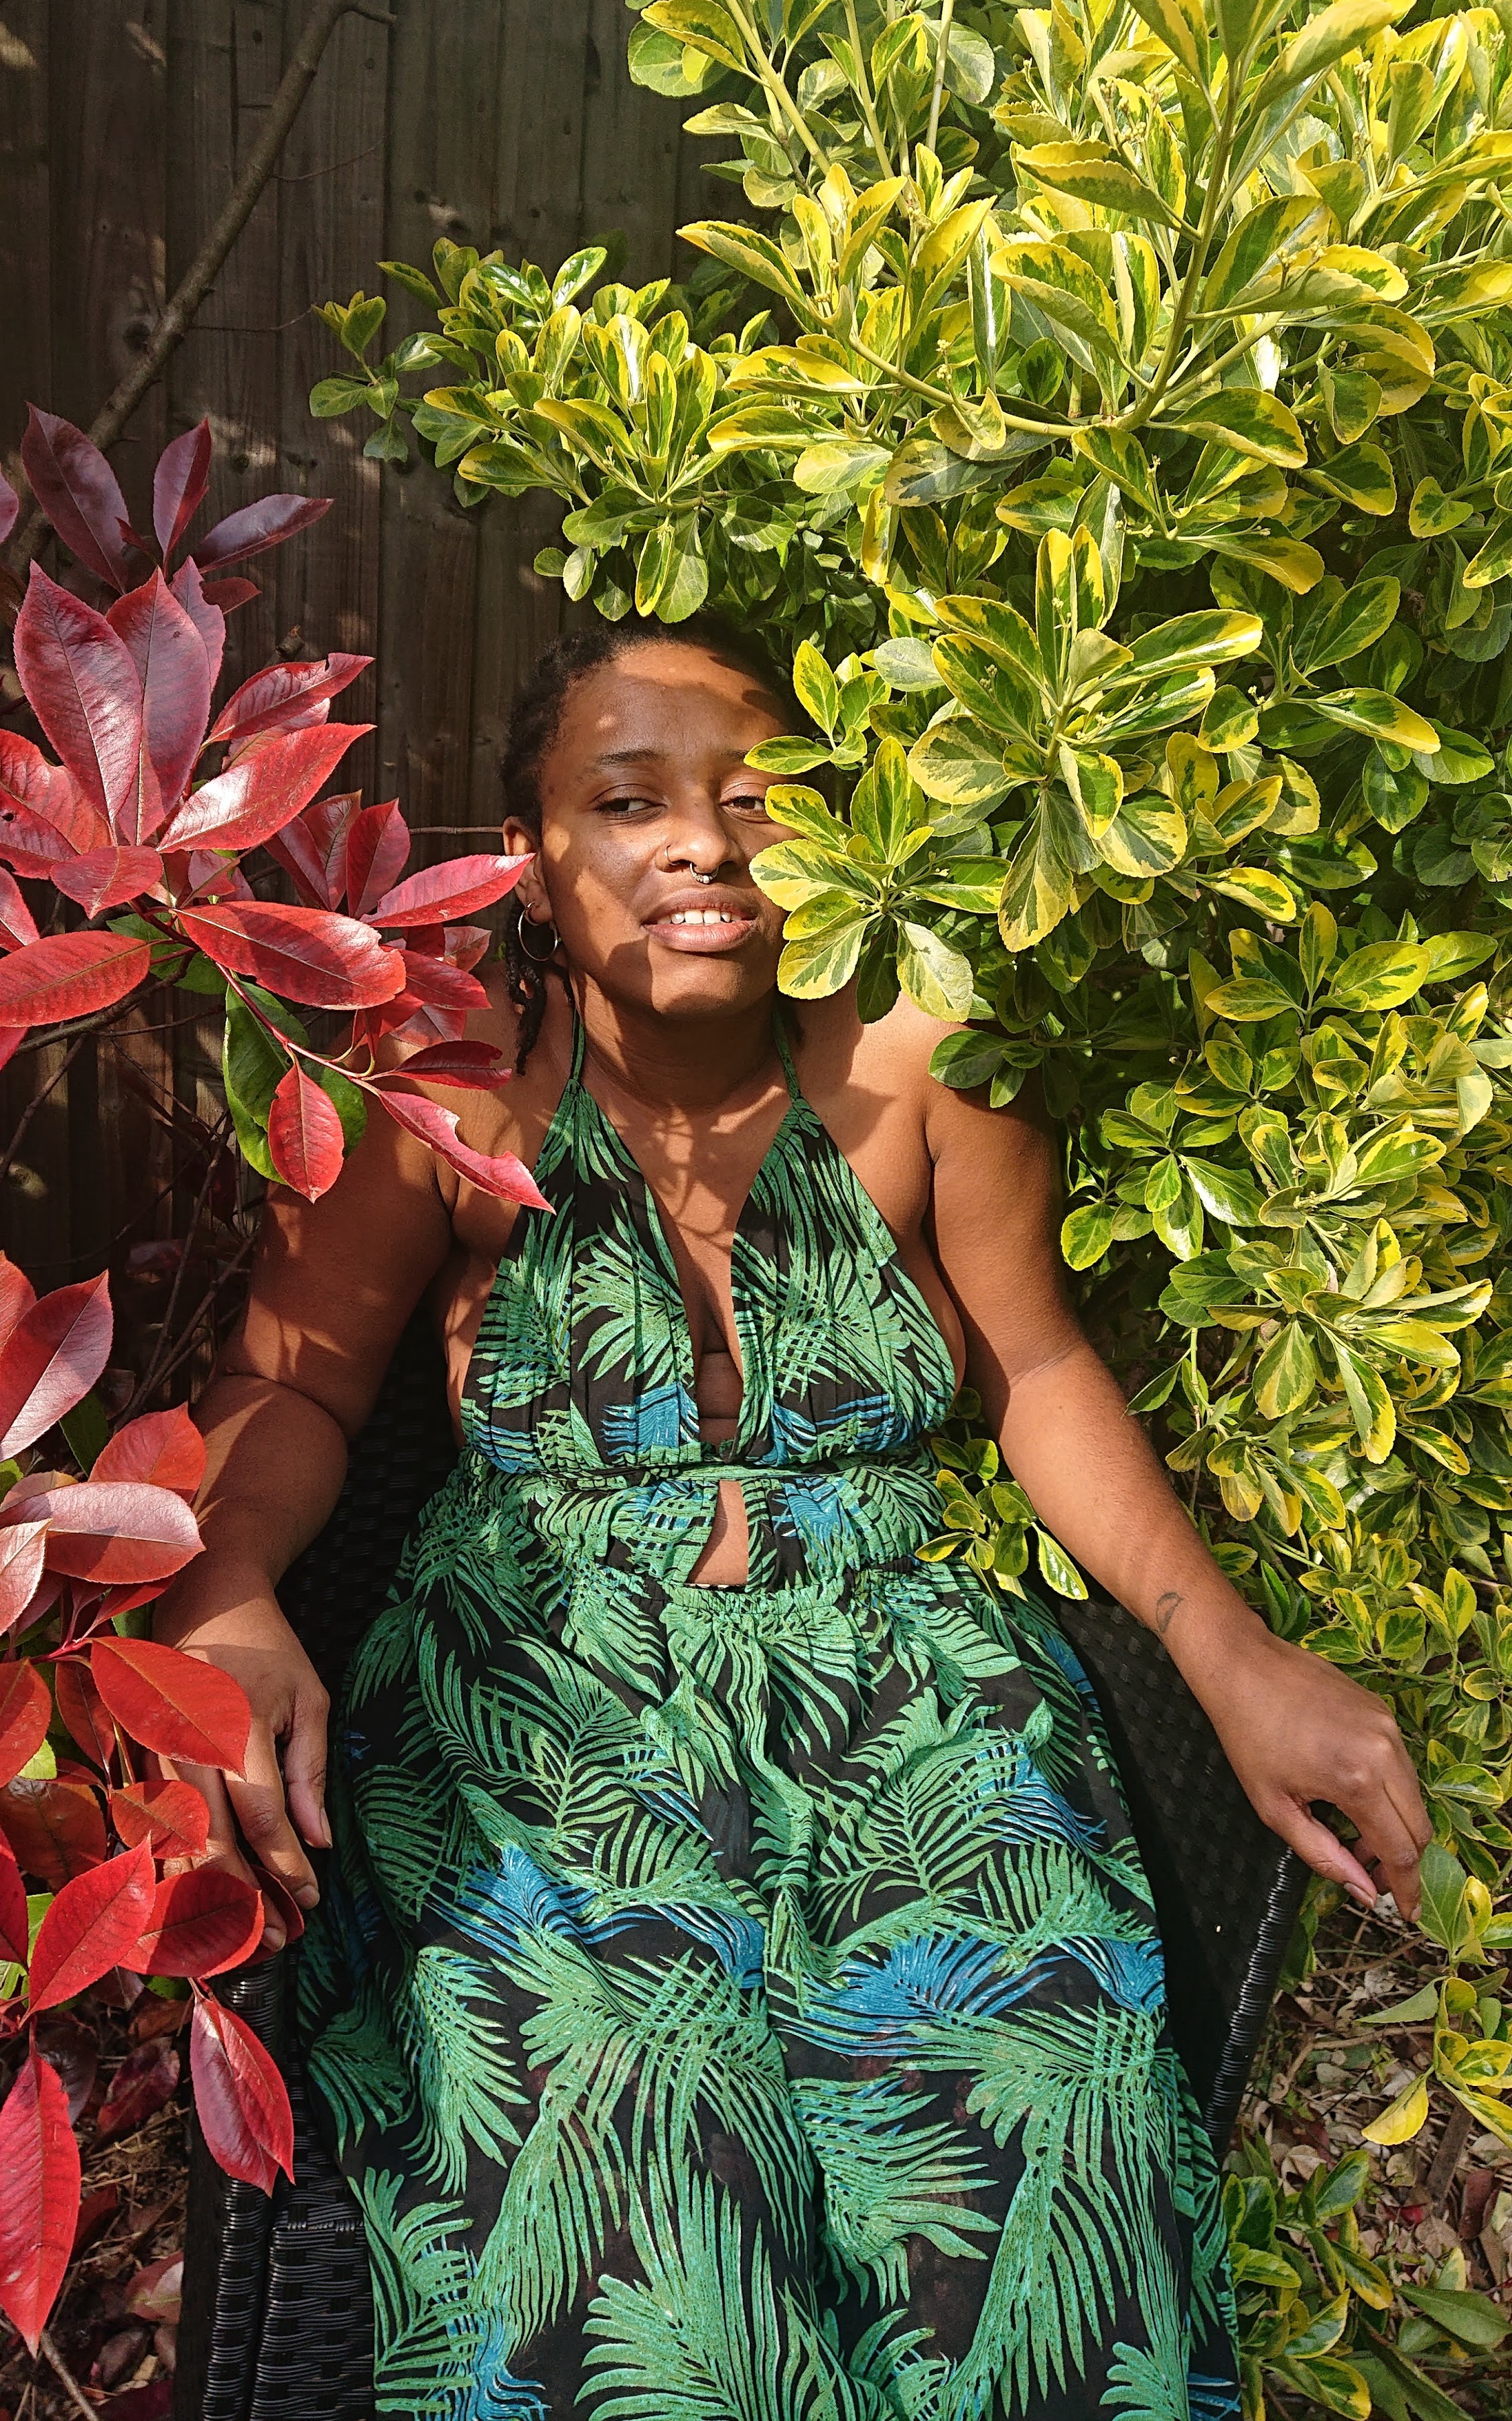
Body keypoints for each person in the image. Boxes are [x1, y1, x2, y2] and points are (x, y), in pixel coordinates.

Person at [155, 612, 1431, 2421]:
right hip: (539, 1703)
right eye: (629, 801)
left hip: (904, 1702)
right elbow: (290, 1390)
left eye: (754, 797)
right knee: (626, 2179)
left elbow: (1036, 1368)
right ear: (531, 860)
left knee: (1043, 2128)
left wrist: (1230, 1654)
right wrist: (225, 1593)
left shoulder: (926, 1067)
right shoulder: (438, 1095)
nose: (701, 841)